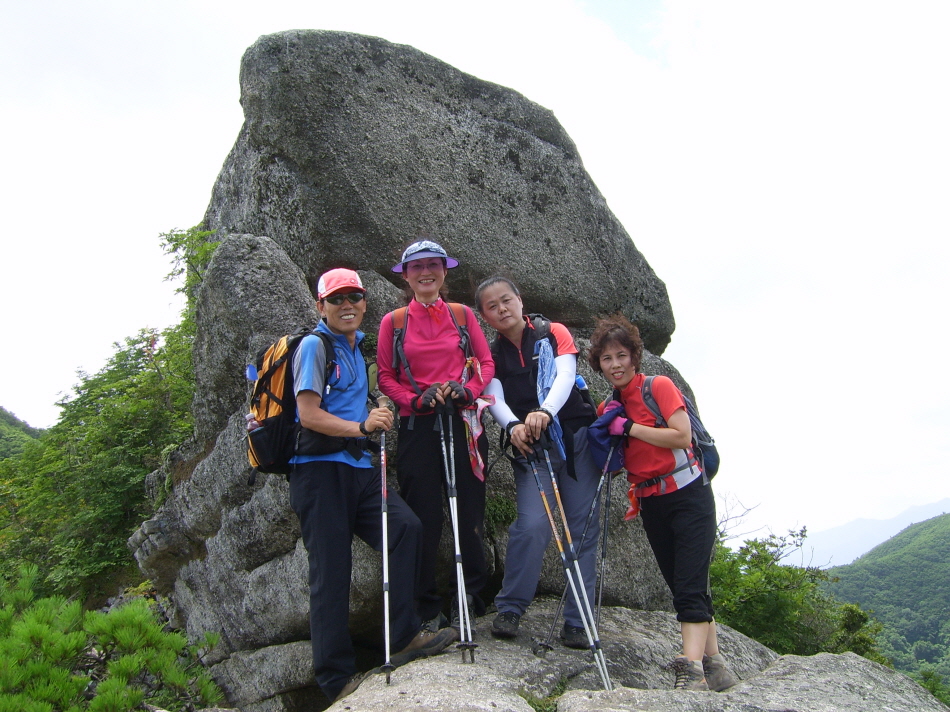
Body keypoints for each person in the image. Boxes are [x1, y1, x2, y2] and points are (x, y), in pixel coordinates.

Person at [287, 268, 456, 704]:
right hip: (320, 472)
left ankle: (402, 635)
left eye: (355, 297)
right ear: (320, 305)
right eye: (337, 298)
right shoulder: (314, 345)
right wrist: (362, 424)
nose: (348, 305)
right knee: (331, 574)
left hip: (359, 469)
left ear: (364, 303)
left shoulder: (353, 348)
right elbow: (308, 414)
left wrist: (374, 407)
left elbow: (342, 402)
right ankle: (334, 679)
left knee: (404, 528)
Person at [587, 314, 738, 692]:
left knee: (688, 584)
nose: (616, 364)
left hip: (689, 496)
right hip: (652, 501)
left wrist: (629, 428)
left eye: (621, 355)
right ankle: (715, 664)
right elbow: (618, 464)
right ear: (599, 365)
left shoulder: (659, 387)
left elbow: (681, 436)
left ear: (634, 357)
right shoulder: (609, 406)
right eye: (607, 359)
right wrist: (605, 438)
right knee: (684, 585)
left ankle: (692, 672)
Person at [376, 240, 495, 632]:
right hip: (418, 425)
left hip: (462, 421)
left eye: (433, 265)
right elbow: (385, 376)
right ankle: (428, 606)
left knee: (469, 512)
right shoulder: (393, 322)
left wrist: (470, 392)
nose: (425, 272)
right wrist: (414, 399)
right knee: (424, 517)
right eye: (416, 267)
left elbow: (485, 363)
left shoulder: (461, 315)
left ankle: (470, 598)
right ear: (406, 275)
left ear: (444, 272)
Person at [474, 276, 600, 647]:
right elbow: (492, 391)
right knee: (531, 526)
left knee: (582, 530)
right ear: (484, 316)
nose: (501, 309)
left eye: (506, 300)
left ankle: (579, 619)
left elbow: (565, 374)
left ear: (519, 300)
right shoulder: (492, 353)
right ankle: (511, 607)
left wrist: (544, 410)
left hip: (574, 442)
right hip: (531, 448)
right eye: (492, 306)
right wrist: (512, 424)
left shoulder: (552, 331)